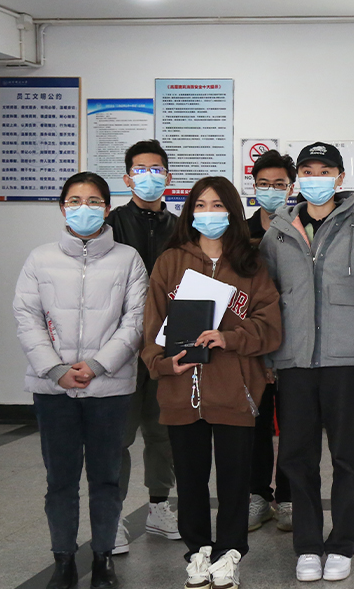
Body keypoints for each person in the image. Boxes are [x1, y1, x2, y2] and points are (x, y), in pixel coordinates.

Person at [259, 142, 354, 583]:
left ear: (339, 177)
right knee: (296, 456)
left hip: (346, 361)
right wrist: (269, 356)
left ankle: (342, 542)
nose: (315, 178)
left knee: (346, 456)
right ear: (298, 178)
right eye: (307, 171)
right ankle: (306, 544)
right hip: (294, 361)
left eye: (324, 171)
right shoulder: (280, 230)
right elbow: (265, 300)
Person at [142, 176, 283, 589]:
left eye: (218, 205)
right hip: (181, 390)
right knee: (190, 480)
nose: (209, 213)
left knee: (236, 480)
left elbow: (271, 327)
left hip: (235, 390)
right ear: (190, 213)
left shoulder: (252, 263)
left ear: (232, 212)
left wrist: (230, 337)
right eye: (200, 205)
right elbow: (151, 325)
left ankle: (230, 554)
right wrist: (162, 364)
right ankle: (198, 553)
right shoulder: (170, 261)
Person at [13, 172, 147, 589]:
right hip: (53, 390)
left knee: (106, 479)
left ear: (107, 208)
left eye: (93, 201)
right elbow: (27, 318)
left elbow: (136, 321)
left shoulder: (128, 259)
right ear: (62, 207)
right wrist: (57, 369)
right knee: (60, 481)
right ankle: (64, 559)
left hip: (110, 389)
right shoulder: (39, 259)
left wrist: (97, 366)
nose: (83, 208)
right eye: (74, 201)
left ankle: (103, 557)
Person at [106, 139, 180, 551]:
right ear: (128, 177)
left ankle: (158, 505)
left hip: (166, 346)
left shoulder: (180, 227)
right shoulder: (111, 223)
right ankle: (112, 516)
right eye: (140, 169)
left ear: (168, 177)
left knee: (162, 431)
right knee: (118, 435)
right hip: (121, 347)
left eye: (156, 169)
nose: (149, 177)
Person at [244, 149, 295, 533]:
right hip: (252, 344)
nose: (272, 190)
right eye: (264, 184)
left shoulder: (302, 228)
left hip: (294, 342)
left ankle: (289, 497)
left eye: (280, 184)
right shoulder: (238, 232)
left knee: (294, 421)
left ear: (291, 188)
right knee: (255, 422)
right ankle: (258, 495)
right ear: (254, 187)